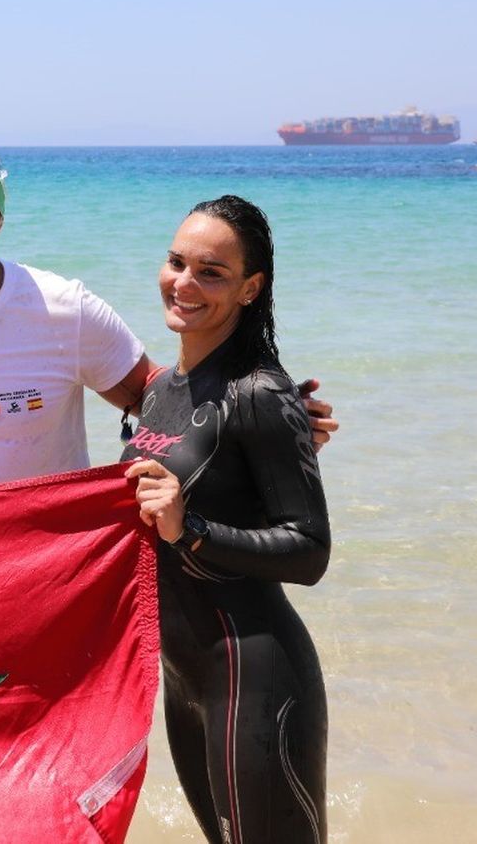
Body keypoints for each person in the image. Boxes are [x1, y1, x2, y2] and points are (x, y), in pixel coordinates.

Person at [0, 134, 335, 498]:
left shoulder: (64, 308)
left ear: (0, 214)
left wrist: (259, 418)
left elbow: (156, 397)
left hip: (44, 561)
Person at [124, 196, 329, 843]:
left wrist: (192, 529)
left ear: (250, 288)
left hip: (256, 674)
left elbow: (309, 550)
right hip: (185, 677)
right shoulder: (161, 389)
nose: (183, 283)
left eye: (210, 272)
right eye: (176, 262)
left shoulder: (260, 392)